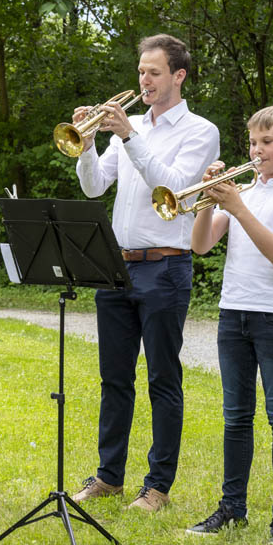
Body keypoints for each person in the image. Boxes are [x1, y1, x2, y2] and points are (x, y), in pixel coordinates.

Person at [71, 33, 220, 511]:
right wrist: (88, 146)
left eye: (154, 72)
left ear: (178, 76)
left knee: (162, 379)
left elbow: (173, 188)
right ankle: (108, 477)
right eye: (140, 71)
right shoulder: (129, 126)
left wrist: (129, 138)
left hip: (166, 266)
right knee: (114, 378)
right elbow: (95, 187)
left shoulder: (200, 131)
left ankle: (157, 486)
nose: (144, 80)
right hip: (116, 265)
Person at [185, 105, 273, 544]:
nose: (257, 150)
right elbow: (201, 245)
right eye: (253, 142)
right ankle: (231, 509)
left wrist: (238, 206)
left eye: (267, 142)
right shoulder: (245, 192)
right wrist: (207, 200)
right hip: (232, 312)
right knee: (236, 418)